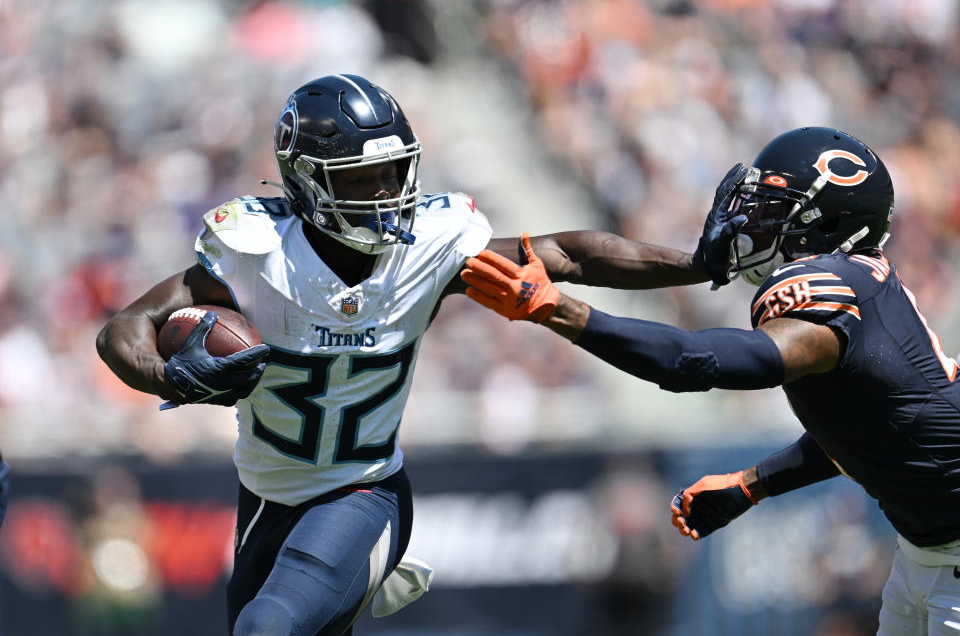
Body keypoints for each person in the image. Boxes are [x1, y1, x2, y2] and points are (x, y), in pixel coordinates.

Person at [96, 74, 734, 636]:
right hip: (264, 500)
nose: (384, 192)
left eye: (392, 172)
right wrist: (165, 374)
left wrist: (696, 264)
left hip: (361, 492)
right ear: (307, 183)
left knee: (269, 627)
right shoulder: (254, 253)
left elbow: (571, 254)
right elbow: (123, 329)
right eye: (362, 178)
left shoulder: (431, 244)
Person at [461, 126, 960, 636]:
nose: (748, 221)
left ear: (827, 222)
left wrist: (558, 310)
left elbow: (694, 361)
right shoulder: (861, 285)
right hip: (925, 551)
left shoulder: (826, 291)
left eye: (772, 208)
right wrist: (752, 484)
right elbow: (874, 428)